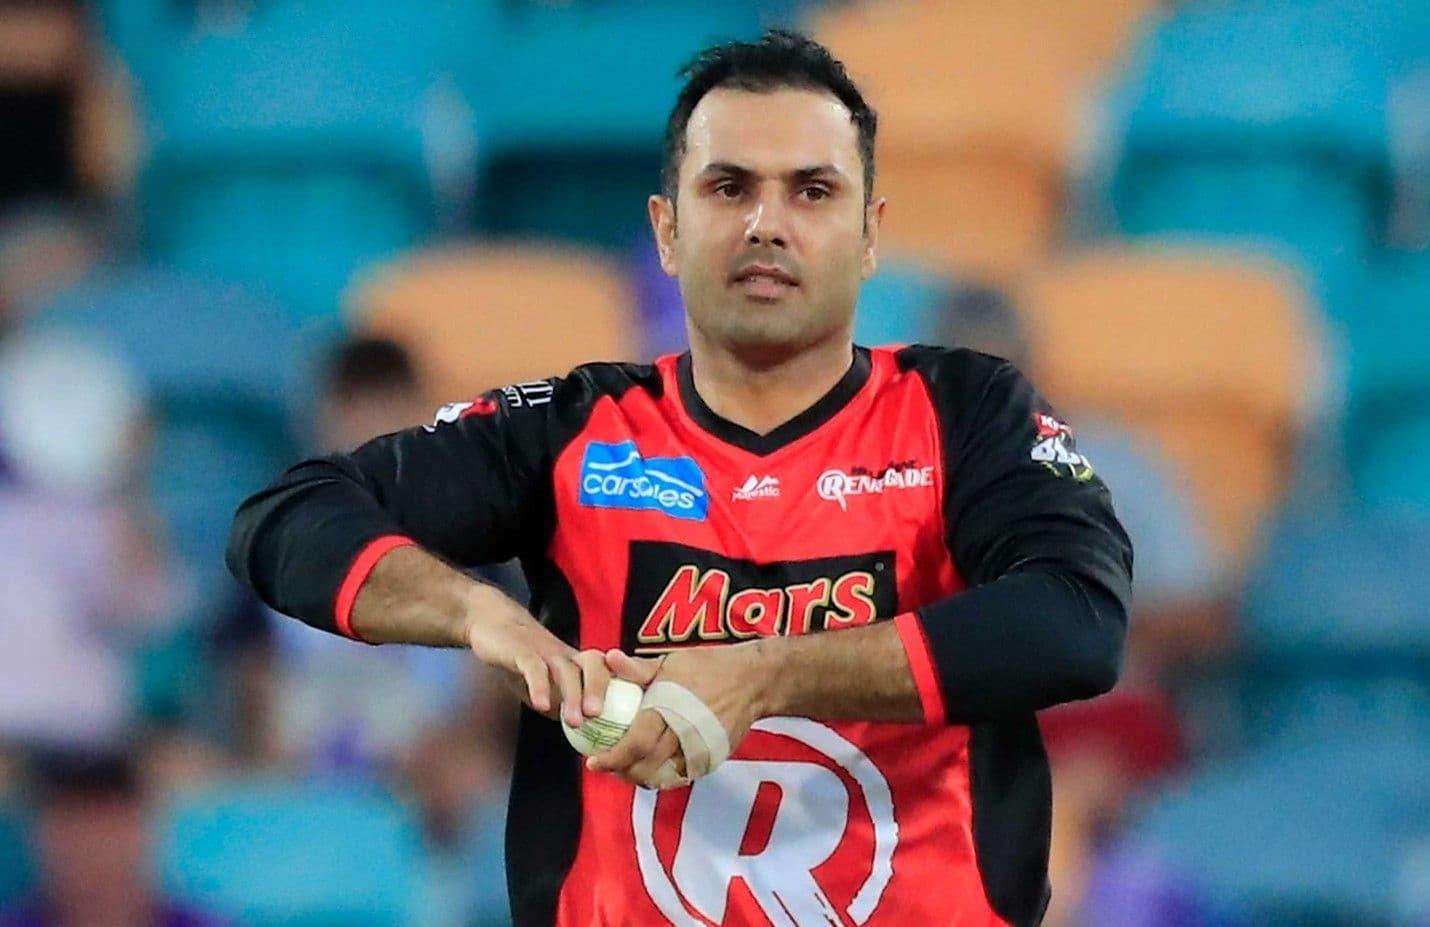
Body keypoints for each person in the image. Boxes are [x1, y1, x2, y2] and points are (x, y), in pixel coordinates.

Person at [227, 30, 1132, 927]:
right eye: (728, 186)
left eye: (813, 191)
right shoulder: (573, 430)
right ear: (666, 230)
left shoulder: (966, 412)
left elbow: (1076, 620)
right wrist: (481, 617)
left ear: (868, 236)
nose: (766, 223)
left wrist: (765, 673)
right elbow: (285, 515)